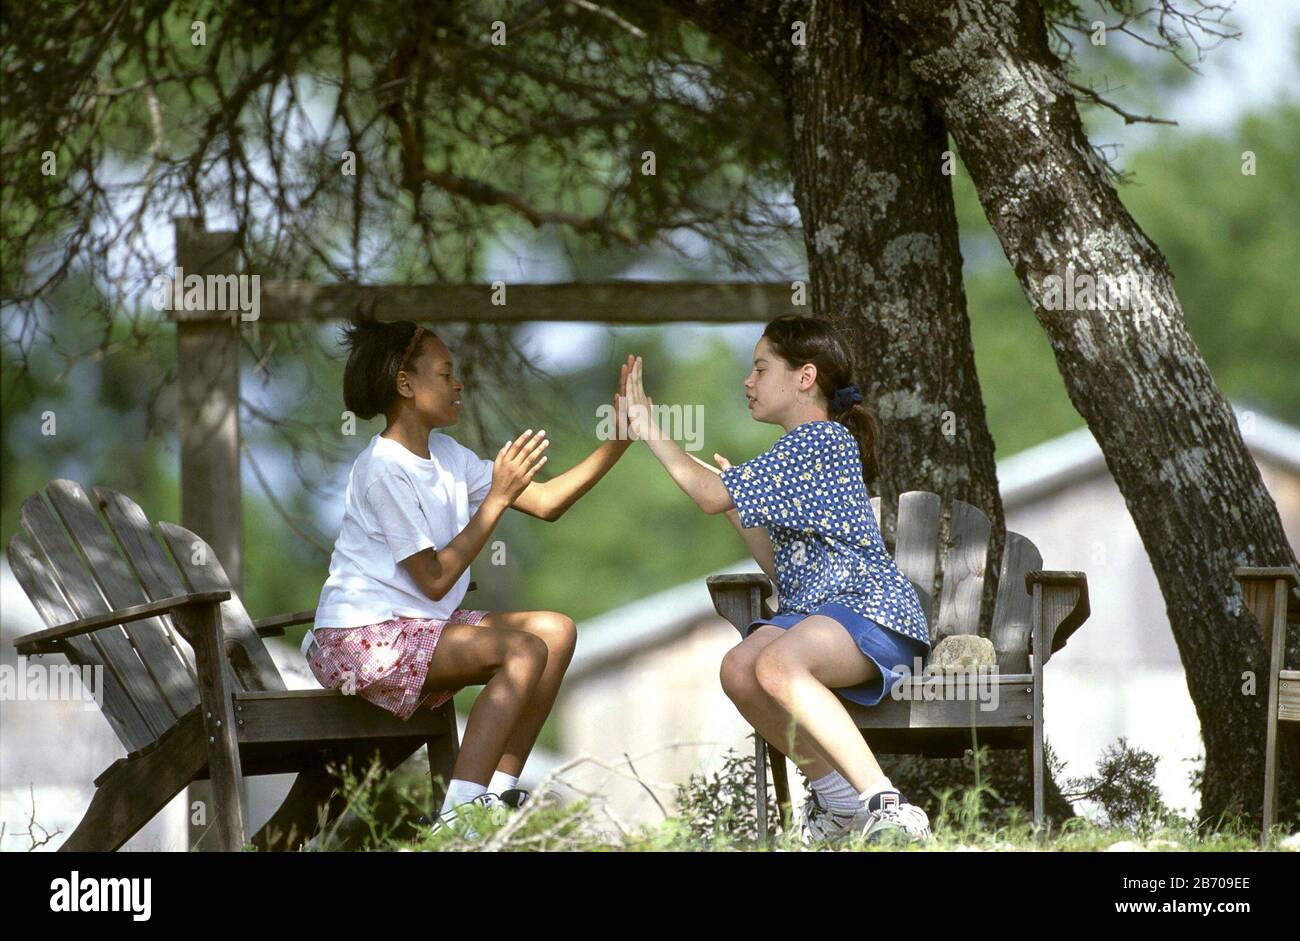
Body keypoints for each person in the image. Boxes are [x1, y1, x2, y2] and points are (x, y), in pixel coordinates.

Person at [306, 314, 634, 835]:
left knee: (556, 631)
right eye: (445, 373)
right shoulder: (382, 468)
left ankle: (496, 799)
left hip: (417, 630)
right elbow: (433, 579)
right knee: (521, 649)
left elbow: (546, 502)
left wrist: (616, 442)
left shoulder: (448, 457)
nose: (458, 384)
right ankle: (459, 821)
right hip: (359, 639)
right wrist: (497, 499)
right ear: (406, 385)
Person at [623, 314, 933, 844]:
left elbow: (706, 493)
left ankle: (890, 807)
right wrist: (734, 504)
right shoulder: (796, 452)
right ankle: (839, 805)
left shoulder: (820, 441)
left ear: (804, 377)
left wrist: (649, 428)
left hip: (871, 615)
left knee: (775, 661)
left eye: (761, 368)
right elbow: (777, 565)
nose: (749, 381)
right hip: (819, 618)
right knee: (740, 667)